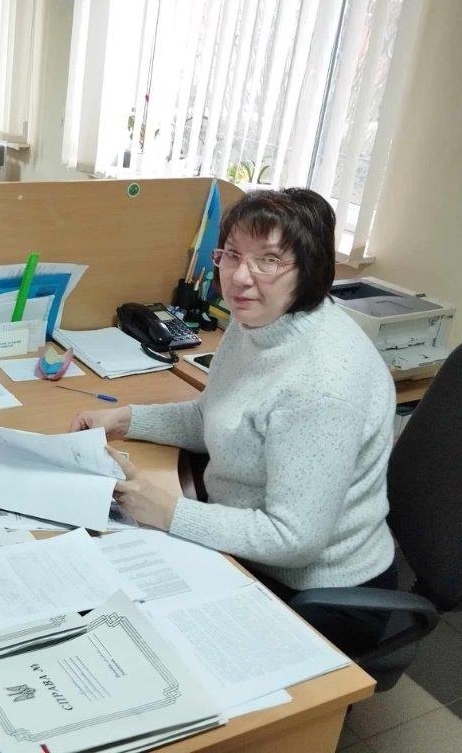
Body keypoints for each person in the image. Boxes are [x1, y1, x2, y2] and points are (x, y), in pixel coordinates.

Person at [71, 188, 398, 657]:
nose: (241, 278)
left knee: (136, 642)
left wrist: (168, 511)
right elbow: (217, 417)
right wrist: (125, 420)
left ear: (309, 269)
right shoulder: (257, 325)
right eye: (232, 255)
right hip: (243, 544)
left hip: (314, 591)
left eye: (269, 261)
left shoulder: (321, 383)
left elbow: (294, 539)